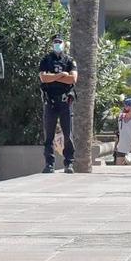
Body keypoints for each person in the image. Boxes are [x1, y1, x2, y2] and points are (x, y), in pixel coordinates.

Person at [39, 35, 78, 173]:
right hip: (50, 101)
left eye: (59, 42)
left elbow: (72, 79)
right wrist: (62, 75)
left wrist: (53, 77)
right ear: (52, 44)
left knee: (67, 134)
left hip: (65, 101)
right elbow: (43, 78)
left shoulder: (69, 60)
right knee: (49, 135)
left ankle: (69, 163)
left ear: (63, 44)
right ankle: (49, 164)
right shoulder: (46, 60)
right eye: (55, 42)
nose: (57, 44)